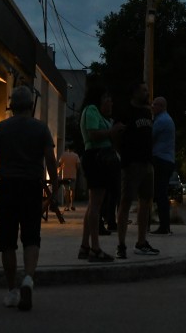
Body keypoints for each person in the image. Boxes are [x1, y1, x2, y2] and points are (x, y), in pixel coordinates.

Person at [0, 86, 58, 311]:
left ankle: (12, 290)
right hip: (31, 186)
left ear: (12, 106)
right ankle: (28, 278)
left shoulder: (1, 128)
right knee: (31, 237)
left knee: (7, 241)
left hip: (8, 186)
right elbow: (50, 159)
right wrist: (54, 187)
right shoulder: (41, 129)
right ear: (31, 106)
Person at [78, 84, 123, 262]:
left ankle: (85, 246)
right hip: (96, 158)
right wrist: (112, 131)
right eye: (107, 98)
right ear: (98, 99)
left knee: (93, 205)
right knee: (96, 205)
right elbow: (94, 134)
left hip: (98, 159)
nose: (110, 102)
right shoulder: (91, 111)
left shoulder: (101, 115)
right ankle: (95, 249)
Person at [116, 82, 159, 259]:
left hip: (147, 164)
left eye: (147, 90)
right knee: (126, 203)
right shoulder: (125, 112)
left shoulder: (147, 112)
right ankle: (121, 245)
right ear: (134, 93)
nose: (147, 93)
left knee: (145, 203)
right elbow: (117, 136)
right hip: (131, 164)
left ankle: (141, 242)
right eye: (143, 90)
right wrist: (124, 156)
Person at [150, 96, 175, 235]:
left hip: (161, 160)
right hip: (166, 160)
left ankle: (164, 226)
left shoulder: (161, 121)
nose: (152, 107)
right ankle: (164, 225)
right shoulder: (166, 119)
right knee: (161, 193)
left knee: (160, 194)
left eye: (154, 105)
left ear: (161, 106)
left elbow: (150, 137)